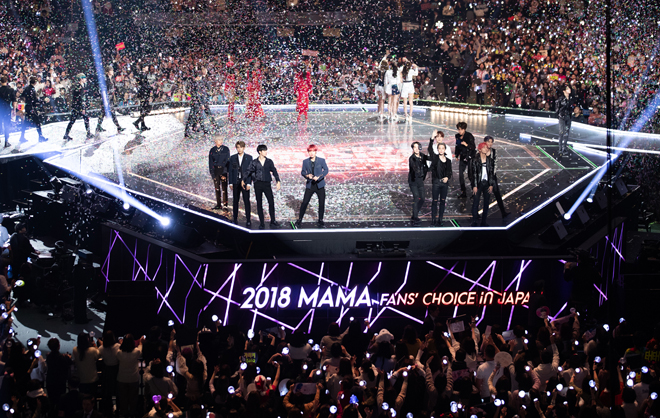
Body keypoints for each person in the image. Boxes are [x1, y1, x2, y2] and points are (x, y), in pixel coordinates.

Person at [246, 144, 281, 229]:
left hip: (267, 184)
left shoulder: (269, 161)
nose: (266, 152)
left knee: (271, 202)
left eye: (266, 150)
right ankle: (262, 223)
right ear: (260, 152)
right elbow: (248, 171)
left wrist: (278, 180)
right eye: (264, 150)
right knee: (259, 204)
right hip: (258, 184)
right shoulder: (254, 162)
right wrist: (244, 180)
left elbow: (274, 171)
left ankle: (273, 221)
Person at [295, 144, 329, 228]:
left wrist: (319, 177)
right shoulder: (305, 161)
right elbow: (303, 172)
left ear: (316, 152)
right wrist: (307, 176)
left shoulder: (321, 160)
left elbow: (326, 170)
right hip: (310, 185)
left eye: (313, 151)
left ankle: (320, 220)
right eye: (310, 151)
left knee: (321, 203)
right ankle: (299, 220)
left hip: (320, 185)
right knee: (305, 202)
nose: (311, 153)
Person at [428, 131, 452, 226]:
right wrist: (431, 138)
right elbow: (430, 149)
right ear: (437, 149)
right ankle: (433, 220)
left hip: (444, 184)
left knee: (442, 201)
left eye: (443, 148)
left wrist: (447, 177)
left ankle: (440, 219)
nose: (441, 150)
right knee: (434, 201)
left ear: (445, 149)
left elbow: (449, 171)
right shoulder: (435, 158)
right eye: (439, 148)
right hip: (436, 183)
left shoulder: (448, 161)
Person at [469, 142, 495, 227]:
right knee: (475, 203)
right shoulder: (475, 160)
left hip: (487, 183)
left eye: (487, 147)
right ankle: (474, 221)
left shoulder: (490, 160)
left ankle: (484, 221)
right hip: (478, 184)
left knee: (486, 203)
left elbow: (491, 173)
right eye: (484, 147)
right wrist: (474, 185)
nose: (486, 149)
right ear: (479, 149)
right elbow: (474, 174)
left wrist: (491, 184)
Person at [116, 334, 143, 418]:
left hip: (122, 378)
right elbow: (140, 348)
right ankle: (132, 413)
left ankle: (124, 413)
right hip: (133, 378)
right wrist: (141, 342)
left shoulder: (119, 352)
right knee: (133, 397)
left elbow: (120, 350)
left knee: (123, 397)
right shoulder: (136, 351)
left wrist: (121, 343)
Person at [228, 140, 253, 226]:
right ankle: (235, 218)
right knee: (235, 201)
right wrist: (230, 182)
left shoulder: (249, 158)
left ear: (244, 148)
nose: (239, 149)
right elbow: (230, 171)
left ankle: (248, 219)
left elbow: (250, 171)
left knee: (246, 201)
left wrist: (249, 183)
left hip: (245, 182)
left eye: (241, 147)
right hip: (235, 182)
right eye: (238, 147)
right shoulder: (233, 158)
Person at [484, 136, 510, 217]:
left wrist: (492, 174)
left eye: (491, 142)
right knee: (485, 196)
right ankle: (482, 216)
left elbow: (495, 164)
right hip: (484, 177)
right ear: (485, 142)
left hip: (492, 176)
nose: (490, 143)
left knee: (497, 194)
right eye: (488, 141)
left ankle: (503, 213)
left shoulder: (494, 151)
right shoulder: (481, 150)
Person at [63, 74, 93, 141]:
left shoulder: (78, 86)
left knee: (72, 121)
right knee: (85, 118)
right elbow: (80, 98)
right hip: (78, 106)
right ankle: (88, 133)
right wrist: (83, 107)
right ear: (81, 79)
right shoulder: (79, 87)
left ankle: (66, 134)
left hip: (75, 106)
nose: (85, 79)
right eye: (84, 78)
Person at [96, 67, 124, 134]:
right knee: (111, 113)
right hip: (106, 99)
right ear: (108, 72)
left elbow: (113, 88)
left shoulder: (112, 79)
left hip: (110, 99)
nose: (112, 71)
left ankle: (98, 127)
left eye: (112, 70)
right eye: (111, 70)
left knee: (103, 113)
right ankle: (118, 127)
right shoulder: (105, 79)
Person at [20, 77, 48, 143]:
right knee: (37, 122)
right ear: (35, 82)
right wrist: (43, 100)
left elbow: (22, 96)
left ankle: (22, 137)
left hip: (27, 107)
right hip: (32, 108)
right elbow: (35, 100)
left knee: (25, 122)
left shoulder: (26, 88)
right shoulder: (32, 89)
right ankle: (40, 137)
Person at [72, 332, 100, 396]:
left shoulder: (75, 350)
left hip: (81, 380)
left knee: (83, 398)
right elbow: (98, 355)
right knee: (93, 398)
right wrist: (94, 345)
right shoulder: (93, 350)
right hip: (92, 379)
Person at [408, 141, 428, 227]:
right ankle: (415, 217)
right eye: (414, 147)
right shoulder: (412, 158)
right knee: (416, 197)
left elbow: (430, 159)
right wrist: (421, 161)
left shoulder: (423, 156)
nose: (416, 149)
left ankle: (414, 213)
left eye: (417, 147)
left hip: (420, 180)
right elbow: (415, 168)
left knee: (422, 198)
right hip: (413, 181)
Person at [208, 135, 231, 210]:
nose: (221, 141)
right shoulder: (212, 150)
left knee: (224, 189)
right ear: (215, 141)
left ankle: (225, 205)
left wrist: (225, 173)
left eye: (221, 139)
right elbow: (210, 163)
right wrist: (213, 175)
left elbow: (228, 161)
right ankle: (218, 204)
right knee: (217, 189)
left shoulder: (226, 149)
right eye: (219, 140)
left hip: (223, 170)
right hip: (216, 171)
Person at [454, 121, 476, 198]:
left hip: (470, 157)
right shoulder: (457, 136)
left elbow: (473, 147)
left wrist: (466, 145)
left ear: (464, 129)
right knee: (461, 175)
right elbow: (457, 146)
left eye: (461, 129)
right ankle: (463, 193)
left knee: (470, 175)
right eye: (458, 129)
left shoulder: (469, 136)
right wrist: (456, 155)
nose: (459, 131)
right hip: (462, 157)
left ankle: (474, 193)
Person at [133, 66, 152, 131]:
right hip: (144, 94)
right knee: (147, 109)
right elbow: (144, 85)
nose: (147, 67)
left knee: (143, 110)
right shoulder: (142, 74)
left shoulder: (141, 74)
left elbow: (141, 84)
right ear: (143, 67)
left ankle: (142, 125)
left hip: (142, 93)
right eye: (146, 67)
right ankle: (137, 122)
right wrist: (150, 88)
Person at [0, 76, 17, 148]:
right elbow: (14, 101)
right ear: (6, 81)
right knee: (7, 124)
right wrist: (14, 110)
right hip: (7, 109)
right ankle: (6, 141)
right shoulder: (11, 90)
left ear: (0, 82)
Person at [556, 85, 572, 156]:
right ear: (564, 91)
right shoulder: (561, 99)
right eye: (568, 88)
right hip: (562, 117)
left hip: (568, 118)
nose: (569, 89)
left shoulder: (571, 98)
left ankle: (564, 148)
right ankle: (560, 149)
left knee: (566, 133)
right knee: (561, 132)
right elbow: (557, 108)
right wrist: (559, 115)